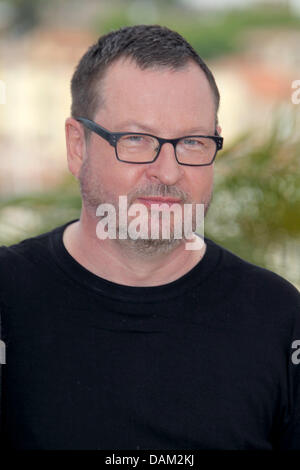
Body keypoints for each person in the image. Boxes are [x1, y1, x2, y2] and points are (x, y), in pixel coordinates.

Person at [0, 24, 299, 450]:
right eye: (137, 139)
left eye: (193, 142)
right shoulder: (8, 301)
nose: (169, 171)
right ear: (77, 146)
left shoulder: (279, 317)